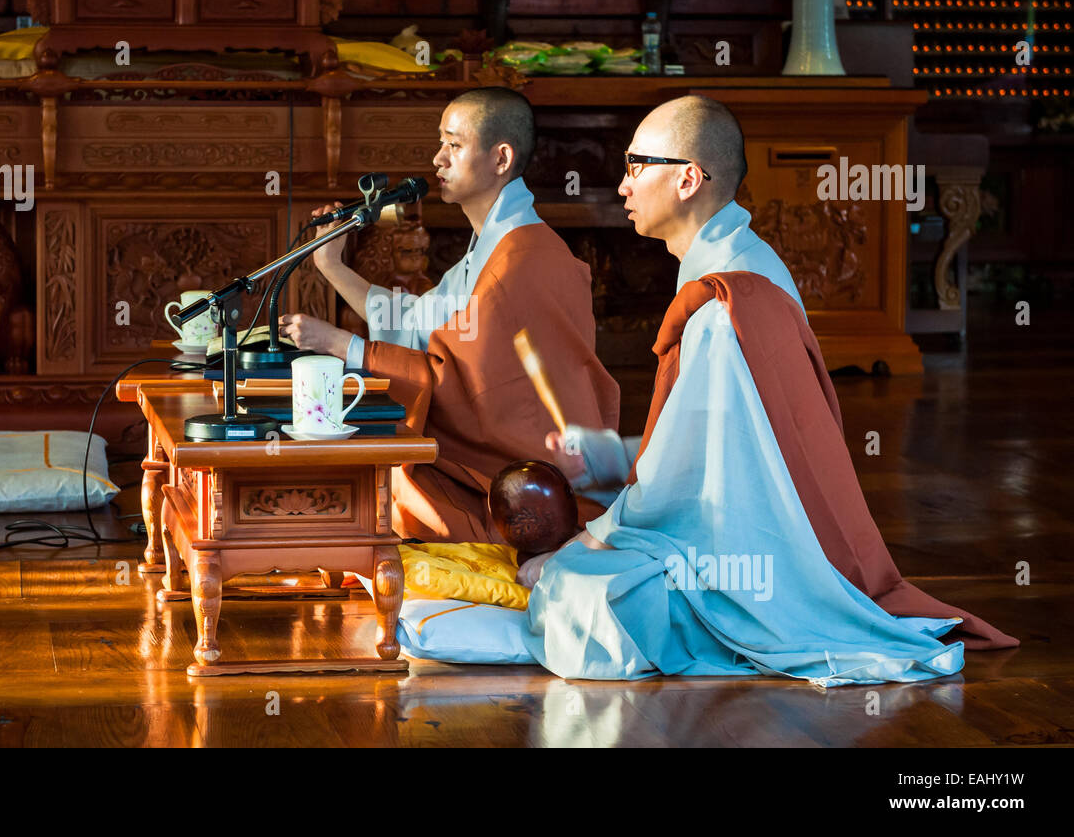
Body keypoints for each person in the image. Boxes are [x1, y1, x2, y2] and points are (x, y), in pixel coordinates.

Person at [522, 94, 1016, 685]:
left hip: (748, 552)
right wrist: (606, 458)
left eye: (635, 165)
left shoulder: (723, 305)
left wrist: (588, 543)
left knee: (579, 597)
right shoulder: (737, 264)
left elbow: (681, 484)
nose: (622, 185)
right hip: (747, 521)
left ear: (688, 179)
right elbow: (708, 442)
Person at [279, 87, 620, 544]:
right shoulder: (490, 247)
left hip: (527, 487)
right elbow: (414, 320)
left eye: (454, 145)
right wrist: (332, 266)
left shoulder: (521, 261)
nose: (438, 159)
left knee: (383, 482)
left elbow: (460, 384)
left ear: (501, 158)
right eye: (441, 143)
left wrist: (340, 345)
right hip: (497, 460)